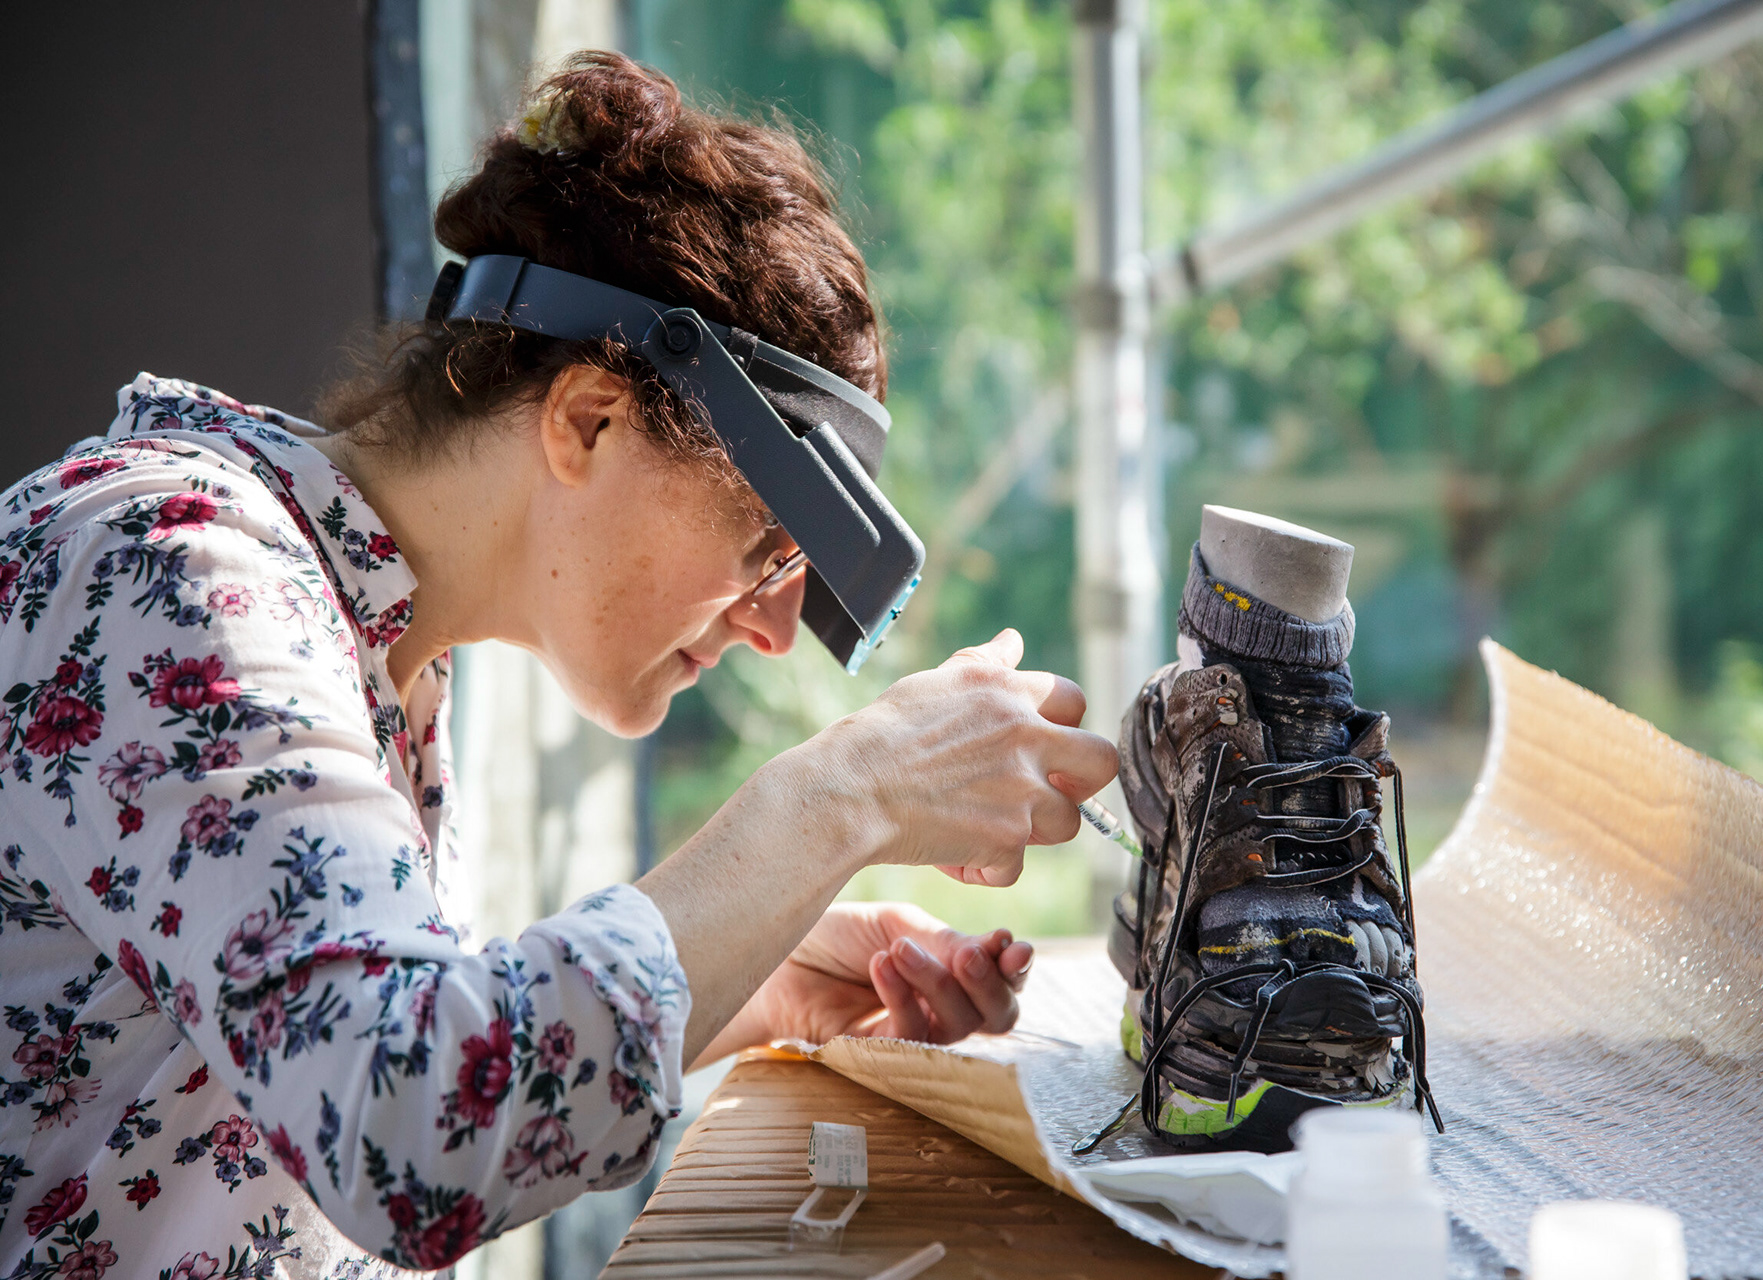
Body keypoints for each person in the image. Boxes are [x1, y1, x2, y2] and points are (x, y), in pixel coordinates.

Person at [0, 54, 1116, 1277]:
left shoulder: (365, 639)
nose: (772, 628)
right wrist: (845, 792)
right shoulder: (169, 570)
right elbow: (411, 1124)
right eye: (767, 548)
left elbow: (380, 1022)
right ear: (590, 418)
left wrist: (758, 978)